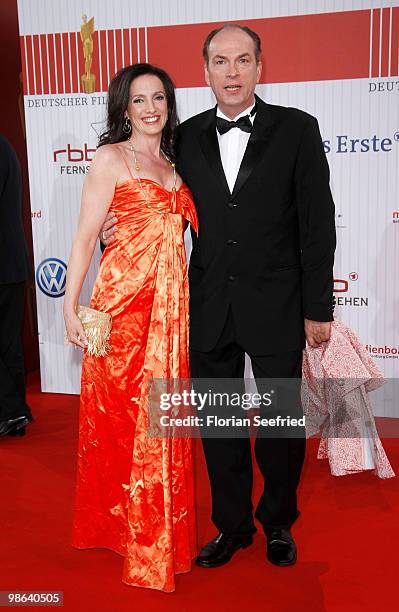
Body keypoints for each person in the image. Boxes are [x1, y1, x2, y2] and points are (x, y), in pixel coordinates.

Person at [101, 24, 336, 569]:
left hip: (278, 303)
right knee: (219, 428)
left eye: (242, 60)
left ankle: (277, 521)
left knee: (279, 427)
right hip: (205, 304)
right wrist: (119, 226)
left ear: (260, 67)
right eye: (220, 62)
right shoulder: (184, 137)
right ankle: (231, 527)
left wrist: (317, 308)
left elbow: (317, 223)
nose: (231, 72)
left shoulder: (299, 129)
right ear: (205, 72)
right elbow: (153, 193)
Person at [63, 64, 198, 592]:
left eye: (158, 98)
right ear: (123, 108)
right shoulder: (109, 159)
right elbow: (83, 239)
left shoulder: (174, 161)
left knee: (161, 421)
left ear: (168, 104)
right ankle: (123, 529)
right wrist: (69, 309)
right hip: (121, 313)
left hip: (169, 316)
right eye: (138, 100)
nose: (149, 109)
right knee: (118, 423)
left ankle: (156, 532)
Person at [0, 133, 33, 438]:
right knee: (8, 343)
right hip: (12, 264)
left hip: (4, 265)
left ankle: (10, 412)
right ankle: (14, 413)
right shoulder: (6, 145)